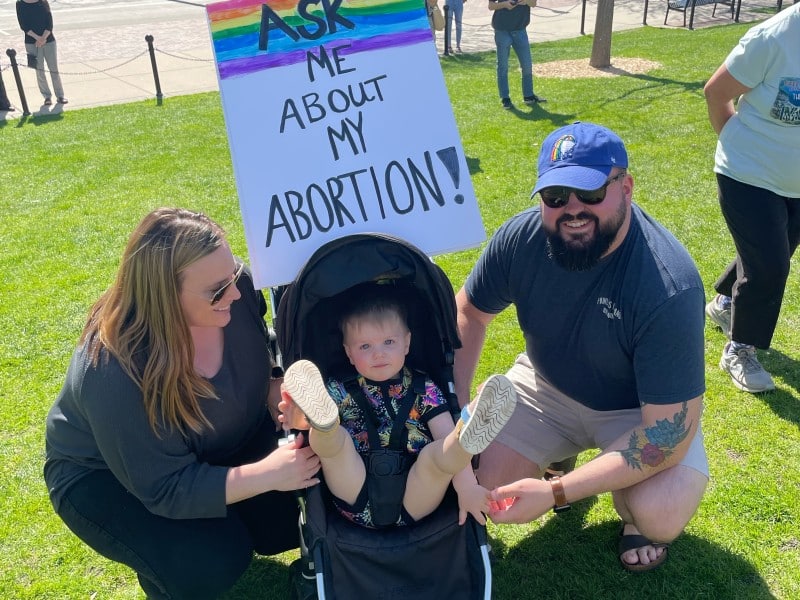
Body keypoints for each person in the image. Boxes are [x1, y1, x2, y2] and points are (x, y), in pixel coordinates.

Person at [454, 122, 709, 572]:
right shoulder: (522, 238)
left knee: (659, 512)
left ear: (625, 187)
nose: (572, 210)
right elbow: (469, 314)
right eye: (555, 197)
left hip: (636, 412)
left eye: (590, 194)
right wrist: (455, 411)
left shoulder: (668, 284)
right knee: (485, 480)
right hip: (545, 384)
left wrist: (558, 492)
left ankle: (626, 510)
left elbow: (665, 437)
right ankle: (561, 450)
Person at [44, 208, 321, 599]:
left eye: (234, 276)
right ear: (164, 294)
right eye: (217, 289)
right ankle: (166, 565)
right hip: (109, 477)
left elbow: (262, 346)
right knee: (210, 560)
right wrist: (268, 474)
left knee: (297, 510)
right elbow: (165, 488)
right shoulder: (112, 369)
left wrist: (273, 384)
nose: (238, 293)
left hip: (215, 438)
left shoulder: (233, 289)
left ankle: (225, 522)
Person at [279, 287, 516, 529]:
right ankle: (325, 426)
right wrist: (299, 419)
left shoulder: (424, 389)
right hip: (354, 489)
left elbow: (444, 434)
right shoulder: (337, 389)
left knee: (436, 457)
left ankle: (466, 438)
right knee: (336, 445)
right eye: (365, 347)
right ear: (349, 353)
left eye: (389, 342)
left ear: (407, 343)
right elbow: (306, 430)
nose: (378, 354)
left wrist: (467, 487)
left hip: (415, 494)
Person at [702, 4, 800, 394]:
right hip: (748, 173)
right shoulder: (774, 36)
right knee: (771, 267)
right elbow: (716, 92)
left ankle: (726, 304)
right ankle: (739, 349)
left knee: (774, 250)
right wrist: (734, 142)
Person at [488, 0, 544, 110]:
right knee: (503, 66)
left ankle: (528, 96)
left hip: (520, 30)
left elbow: (533, 3)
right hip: (502, 31)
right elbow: (491, 6)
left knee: (527, 65)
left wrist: (526, 1)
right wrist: (505, 4)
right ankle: (505, 98)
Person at [16, 0, 67, 105]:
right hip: (31, 42)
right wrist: (37, 38)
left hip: (48, 39)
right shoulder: (20, 3)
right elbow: (23, 25)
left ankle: (60, 95)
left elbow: (49, 23)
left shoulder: (43, 1)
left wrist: (43, 38)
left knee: (54, 69)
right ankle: (47, 97)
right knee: (39, 70)